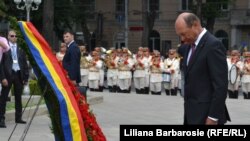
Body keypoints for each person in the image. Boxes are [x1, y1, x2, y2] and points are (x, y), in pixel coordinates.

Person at [175, 12, 230, 125]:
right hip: (191, 114)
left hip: (207, 117)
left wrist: (213, 117)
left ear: (195, 25)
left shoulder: (213, 45)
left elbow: (220, 85)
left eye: (184, 34)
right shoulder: (189, 46)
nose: (182, 39)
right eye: (179, 35)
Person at [0, 30, 29, 128]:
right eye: (12, 36)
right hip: (8, 75)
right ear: (8, 36)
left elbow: (24, 63)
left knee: (18, 97)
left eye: (16, 36)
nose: (14, 37)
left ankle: (18, 117)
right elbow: (1, 63)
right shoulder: (4, 48)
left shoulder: (20, 48)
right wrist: (2, 77)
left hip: (18, 74)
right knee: (3, 98)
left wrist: (25, 77)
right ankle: (1, 119)